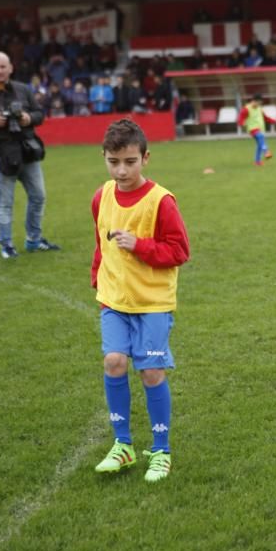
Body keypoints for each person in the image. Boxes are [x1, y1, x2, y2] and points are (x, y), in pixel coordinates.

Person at [91, 119, 191, 481]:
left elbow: (180, 251)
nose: (121, 170)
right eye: (114, 161)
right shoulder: (101, 197)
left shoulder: (161, 201)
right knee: (114, 362)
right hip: (114, 300)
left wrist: (141, 246)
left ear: (146, 158)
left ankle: (161, 450)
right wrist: (98, 280)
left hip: (152, 303)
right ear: (104, 157)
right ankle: (123, 446)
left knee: (150, 371)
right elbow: (101, 245)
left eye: (130, 161)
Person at [0, 51, 60, 259]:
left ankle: (34, 240)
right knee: (4, 203)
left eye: (2, 67)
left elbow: (40, 115)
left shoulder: (24, 90)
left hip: (27, 151)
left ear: (10, 68)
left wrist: (28, 117)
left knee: (38, 197)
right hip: (1, 154)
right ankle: (6, 244)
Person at [237, 94, 276, 166]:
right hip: (252, 129)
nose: (259, 104)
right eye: (258, 103)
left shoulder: (259, 108)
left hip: (260, 129)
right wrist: (241, 123)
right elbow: (240, 118)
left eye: (260, 103)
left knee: (259, 145)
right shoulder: (246, 109)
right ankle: (266, 151)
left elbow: (265, 117)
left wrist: (274, 121)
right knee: (261, 137)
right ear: (254, 101)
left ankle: (257, 161)